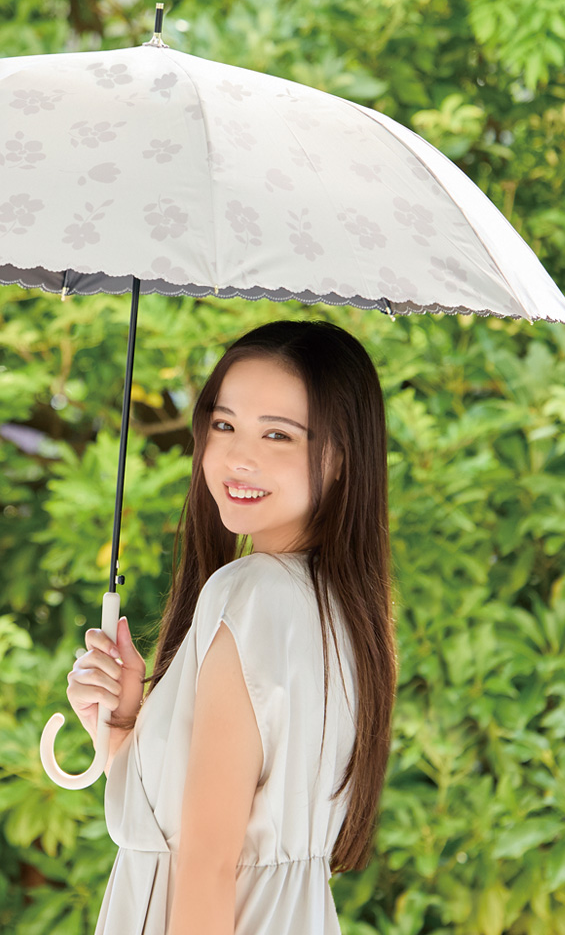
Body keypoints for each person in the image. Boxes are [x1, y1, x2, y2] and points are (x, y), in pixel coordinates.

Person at [65, 319, 397, 935]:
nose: (239, 458)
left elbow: (207, 867)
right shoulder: (341, 611)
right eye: (224, 425)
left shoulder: (252, 593)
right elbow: (210, 833)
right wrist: (126, 729)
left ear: (342, 456)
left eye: (278, 434)